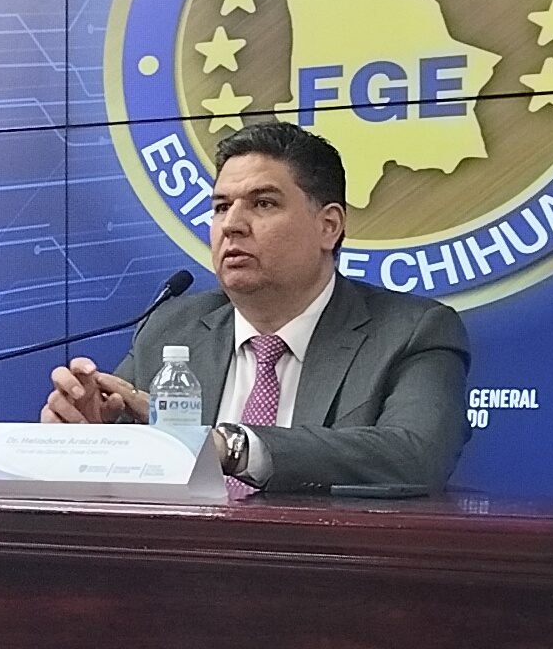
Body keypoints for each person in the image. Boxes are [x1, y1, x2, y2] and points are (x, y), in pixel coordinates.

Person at [41, 121, 471, 491]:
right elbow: (122, 461)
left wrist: (234, 447)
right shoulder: (171, 328)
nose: (231, 225)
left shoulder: (411, 331)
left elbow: (416, 454)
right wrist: (88, 437)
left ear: (329, 226)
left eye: (263, 204)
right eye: (221, 207)